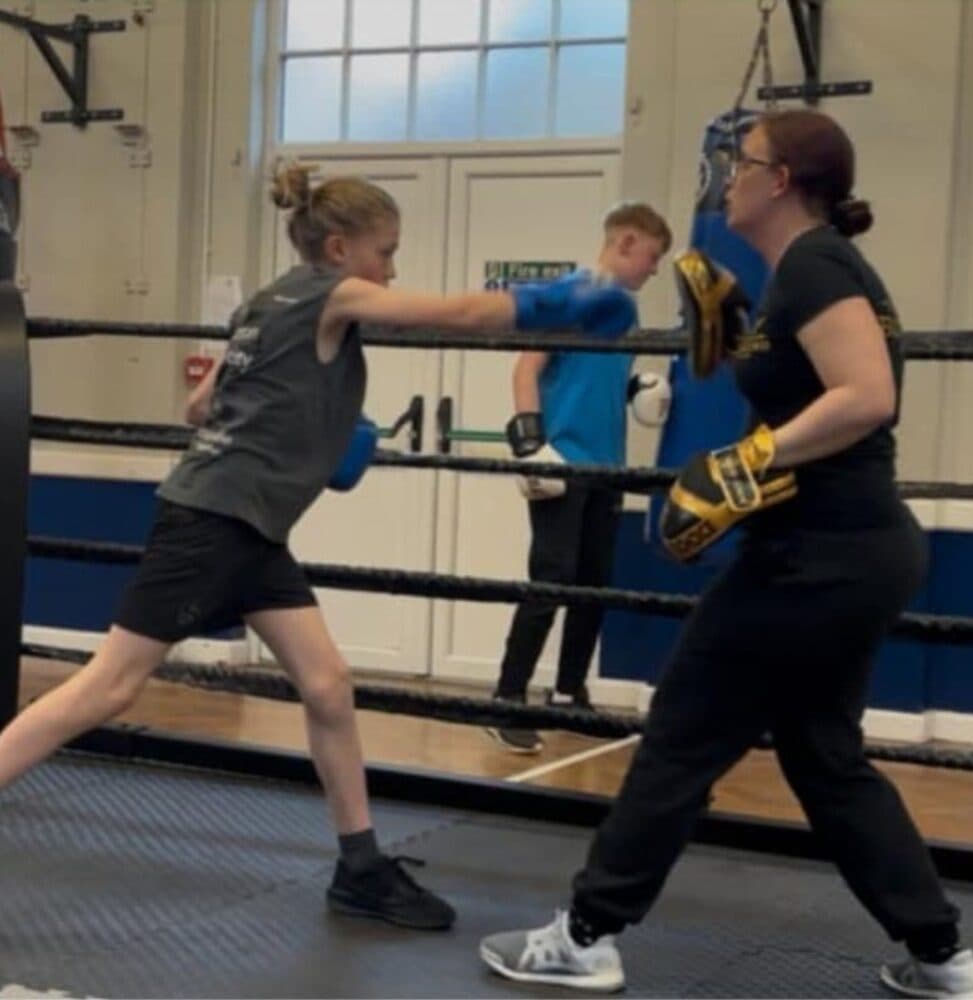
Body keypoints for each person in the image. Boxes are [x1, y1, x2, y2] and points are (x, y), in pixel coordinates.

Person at [0, 165, 636, 931]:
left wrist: (307, 425)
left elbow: (201, 404)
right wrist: (556, 301)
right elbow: (459, 311)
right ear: (340, 247)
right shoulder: (336, 292)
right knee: (108, 689)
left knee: (329, 686)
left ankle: (360, 865)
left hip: (250, 526)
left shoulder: (269, 301)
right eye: (386, 252)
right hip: (213, 522)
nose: (392, 270)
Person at [478, 110, 973, 998]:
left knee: (682, 731)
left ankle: (586, 936)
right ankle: (943, 957)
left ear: (782, 180)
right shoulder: (790, 274)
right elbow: (806, 371)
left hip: (817, 553)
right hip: (847, 550)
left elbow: (867, 395)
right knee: (823, 757)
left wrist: (754, 455)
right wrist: (738, 322)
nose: (727, 175)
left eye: (743, 161)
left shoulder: (819, 262)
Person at [487, 202, 672, 754]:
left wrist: (635, 387)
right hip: (563, 462)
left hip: (606, 466)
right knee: (551, 580)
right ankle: (505, 700)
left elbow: (593, 380)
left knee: (593, 583)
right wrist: (531, 446)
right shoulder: (571, 298)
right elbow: (526, 369)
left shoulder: (624, 310)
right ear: (626, 243)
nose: (655, 268)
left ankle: (569, 692)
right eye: (652, 256)